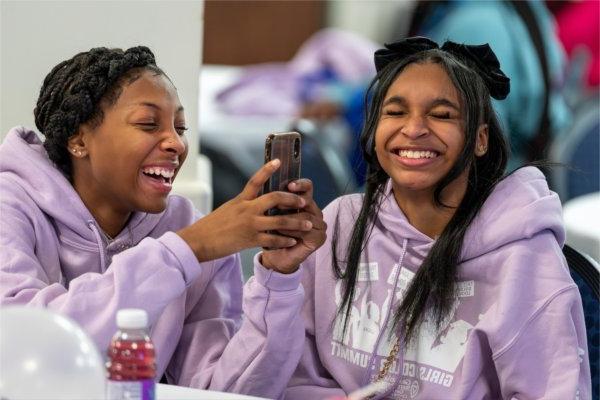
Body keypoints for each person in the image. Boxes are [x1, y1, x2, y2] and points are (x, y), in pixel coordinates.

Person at [267, 37, 591, 399]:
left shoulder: (524, 258)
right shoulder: (341, 225)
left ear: (480, 140)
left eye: (441, 115)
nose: (414, 128)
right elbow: (285, 378)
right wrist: (276, 276)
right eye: (395, 112)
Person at [0, 46, 326, 396]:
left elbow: (224, 390)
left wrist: (278, 278)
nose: (176, 143)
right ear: (79, 139)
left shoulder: (188, 226)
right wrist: (187, 248)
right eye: (148, 124)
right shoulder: (11, 204)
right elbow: (22, 342)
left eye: (180, 127)